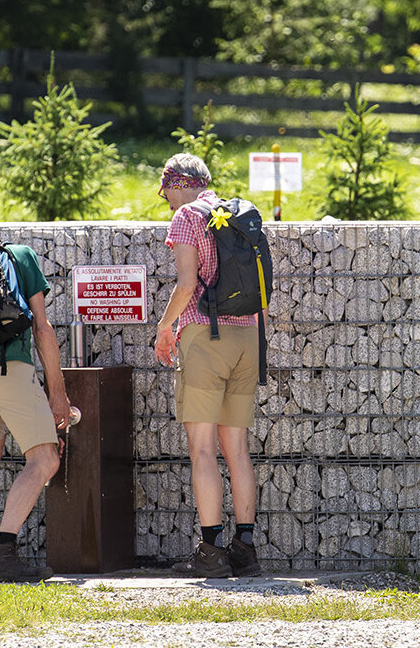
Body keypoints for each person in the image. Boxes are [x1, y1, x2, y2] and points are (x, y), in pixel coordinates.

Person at [154, 153, 265, 578]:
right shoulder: (239, 212)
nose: (165, 200)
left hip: (205, 336)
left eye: (165, 190)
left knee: (202, 448)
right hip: (246, 338)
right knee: (236, 449)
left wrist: (166, 328)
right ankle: (246, 549)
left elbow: (186, 286)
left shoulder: (186, 216)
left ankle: (211, 551)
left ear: (178, 183)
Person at [0, 242, 73, 582]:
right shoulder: (23, 256)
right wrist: (58, 392)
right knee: (45, 459)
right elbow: (42, 328)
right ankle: (2, 552)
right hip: (9, 366)